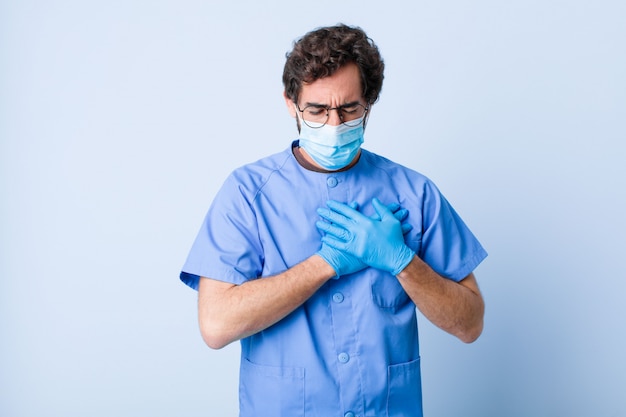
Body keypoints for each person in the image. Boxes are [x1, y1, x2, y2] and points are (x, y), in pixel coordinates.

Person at [180, 23, 487, 417]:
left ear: (369, 105)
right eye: (317, 110)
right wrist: (324, 264)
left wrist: (403, 262)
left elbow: (470, 323)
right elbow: (216, 325)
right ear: (291, 104)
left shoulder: (415, 193)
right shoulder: (247, 195)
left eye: (349, 109)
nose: (334, 124)